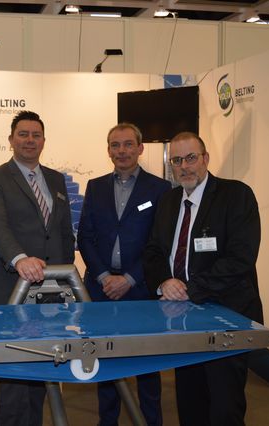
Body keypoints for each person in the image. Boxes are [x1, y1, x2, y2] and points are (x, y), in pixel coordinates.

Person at [143, 131, 263, 426]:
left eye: (191, 158)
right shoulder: (168, 201)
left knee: (224, 405)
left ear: (206, 158)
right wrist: (164, 281)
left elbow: (241, 258)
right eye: (177, 160)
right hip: (182, 320)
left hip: (226, 317)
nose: (184, 166)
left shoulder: (236, 196)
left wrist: (190, 289)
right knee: (190, 401)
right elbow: (154, 251)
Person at [0, 110, 75, 426]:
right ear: (11, 140)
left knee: (43, 371)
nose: (30, 140)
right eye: (23, 134)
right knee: (13, 377)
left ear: (44, 141)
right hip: (12, 291)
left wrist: (67, 276)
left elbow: (63, 232)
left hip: (51, 295)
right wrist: (20, 259)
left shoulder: (56, 179)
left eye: (36, 135)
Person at [77, 123, 170, 426]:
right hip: (101, 289)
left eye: (128, 144)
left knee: (147, 364)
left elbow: (159, 242)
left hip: (141, 288)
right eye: (115, 145)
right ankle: (108, 421)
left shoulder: (160, 189)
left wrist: (129, 278)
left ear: (140, 148)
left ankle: (151, 421)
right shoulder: (96, 186)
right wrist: (104, 276)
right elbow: (85, 237)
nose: (122, 151)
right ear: (108, 151)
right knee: (106, 360)